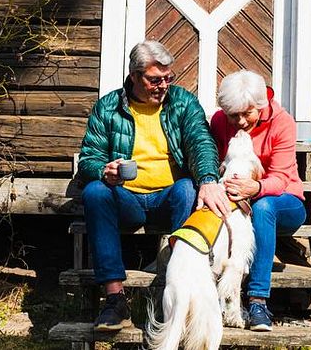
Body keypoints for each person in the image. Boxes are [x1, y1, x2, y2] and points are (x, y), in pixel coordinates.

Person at [77, 40, 230, 331]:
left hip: (170, 198)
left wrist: (209, 180)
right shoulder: (108, 107)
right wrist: (103, 170)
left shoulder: (183, 102)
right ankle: (115, 301)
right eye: (154, 80)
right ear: (134, 76)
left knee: (188, 188)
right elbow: (88, 158)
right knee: (95, 192)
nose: (163, 86)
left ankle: (179, 294)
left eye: (168, 78)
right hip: (128, 200)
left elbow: (201, 142)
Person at [209, 69, 306, 332]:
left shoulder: (282, 121)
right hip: (236, 205)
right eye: (233, 115)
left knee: (264, 207)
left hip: (284, 202)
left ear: (260, 106)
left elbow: (282, 177)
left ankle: (257, 301)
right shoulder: (219, 122)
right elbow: (212, 161)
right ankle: (211, 296)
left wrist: (256, 187)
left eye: (247, 113)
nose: (240, 121)